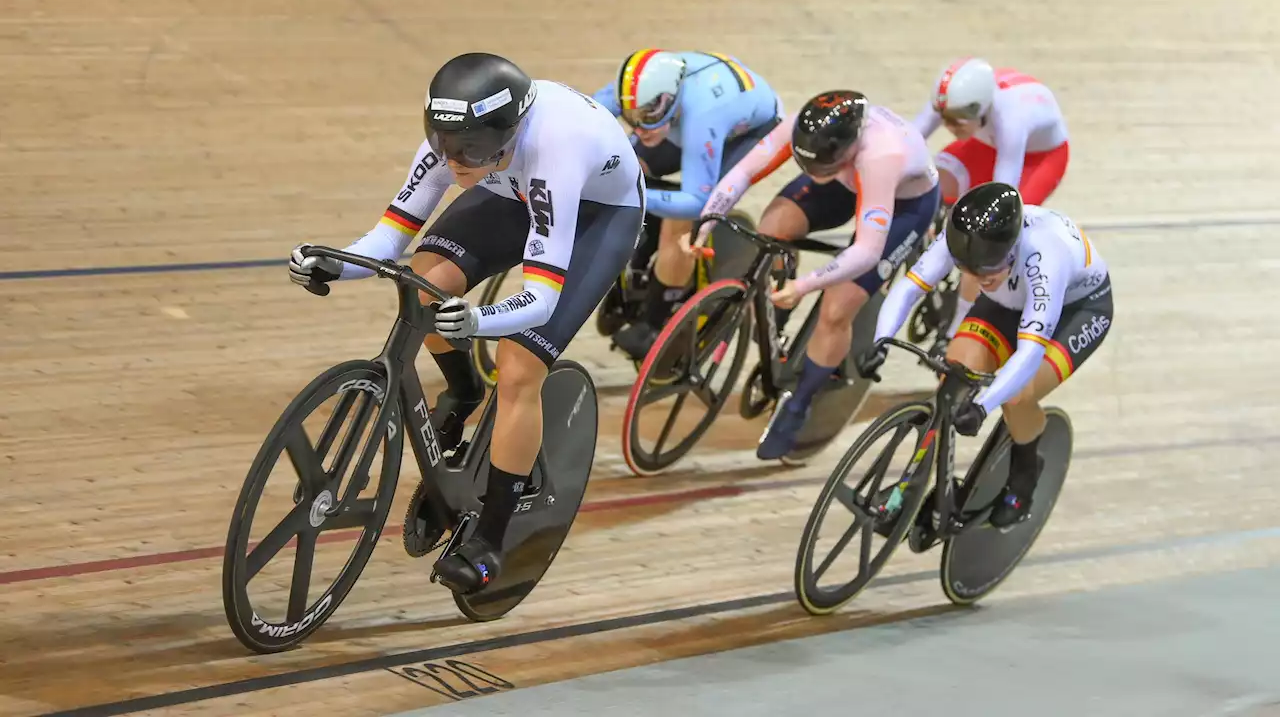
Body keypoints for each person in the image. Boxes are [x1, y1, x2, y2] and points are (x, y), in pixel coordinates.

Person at [287, 53, 644, 593]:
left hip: (598, 214)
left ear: (510, 131)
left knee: (520, 363)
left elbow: (541, 298)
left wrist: (478, 320)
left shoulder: (555, 150)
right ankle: (463, 388)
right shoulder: (462, 140)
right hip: (508, 191)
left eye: (469, 151)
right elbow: (390, 238)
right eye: (443, 145)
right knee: (423, 284)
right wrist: (335, 262)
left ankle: (491, 537)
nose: (454, 163)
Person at [692, 90, 940, 460]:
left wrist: (805, 285)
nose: (813, 172)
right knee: (773, 225)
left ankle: (800, 402)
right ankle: (777, 318)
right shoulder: (805, 128)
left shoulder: (881, 155)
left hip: (904, 203)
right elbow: (744, 171)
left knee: (837, 307)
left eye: (822, 165)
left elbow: (867, 251)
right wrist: (707, 221)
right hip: (843, 180)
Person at [859, 183, 1112, 528]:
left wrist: (983, 406)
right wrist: (881, 341)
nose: (978, 279)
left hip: (1076, 310)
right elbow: (909, 288)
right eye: (970, 271)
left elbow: (1028, 353)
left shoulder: (1045, 257)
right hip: (1006, 303)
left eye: (988, 271)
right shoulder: (961, 238)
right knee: (953, 377)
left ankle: (1024, 474)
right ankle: (909, 486)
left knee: (1017, 396)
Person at [591, 49, 783, 360]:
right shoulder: (642, 94)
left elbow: (695, 202)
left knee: (678, 221)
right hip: (686, 117)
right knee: (632, 166)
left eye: (648, 117)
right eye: (633, 117)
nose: (640, 127)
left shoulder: (703, 115)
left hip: (750, 135)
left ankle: (656, 319)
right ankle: (641, 262)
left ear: (670, 99)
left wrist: (636, 197)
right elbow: (581, 112)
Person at [911, 57, 1071, 353]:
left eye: (955, 120)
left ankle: (959, 326)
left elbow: (1001, 192)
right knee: (932, 181)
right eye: (943, 117)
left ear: (981, 109)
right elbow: (909, 137)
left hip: (1040, 158)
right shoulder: (955, 101)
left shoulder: (1013, 117)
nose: (947, 125)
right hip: (987, 144)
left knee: (985, 238)